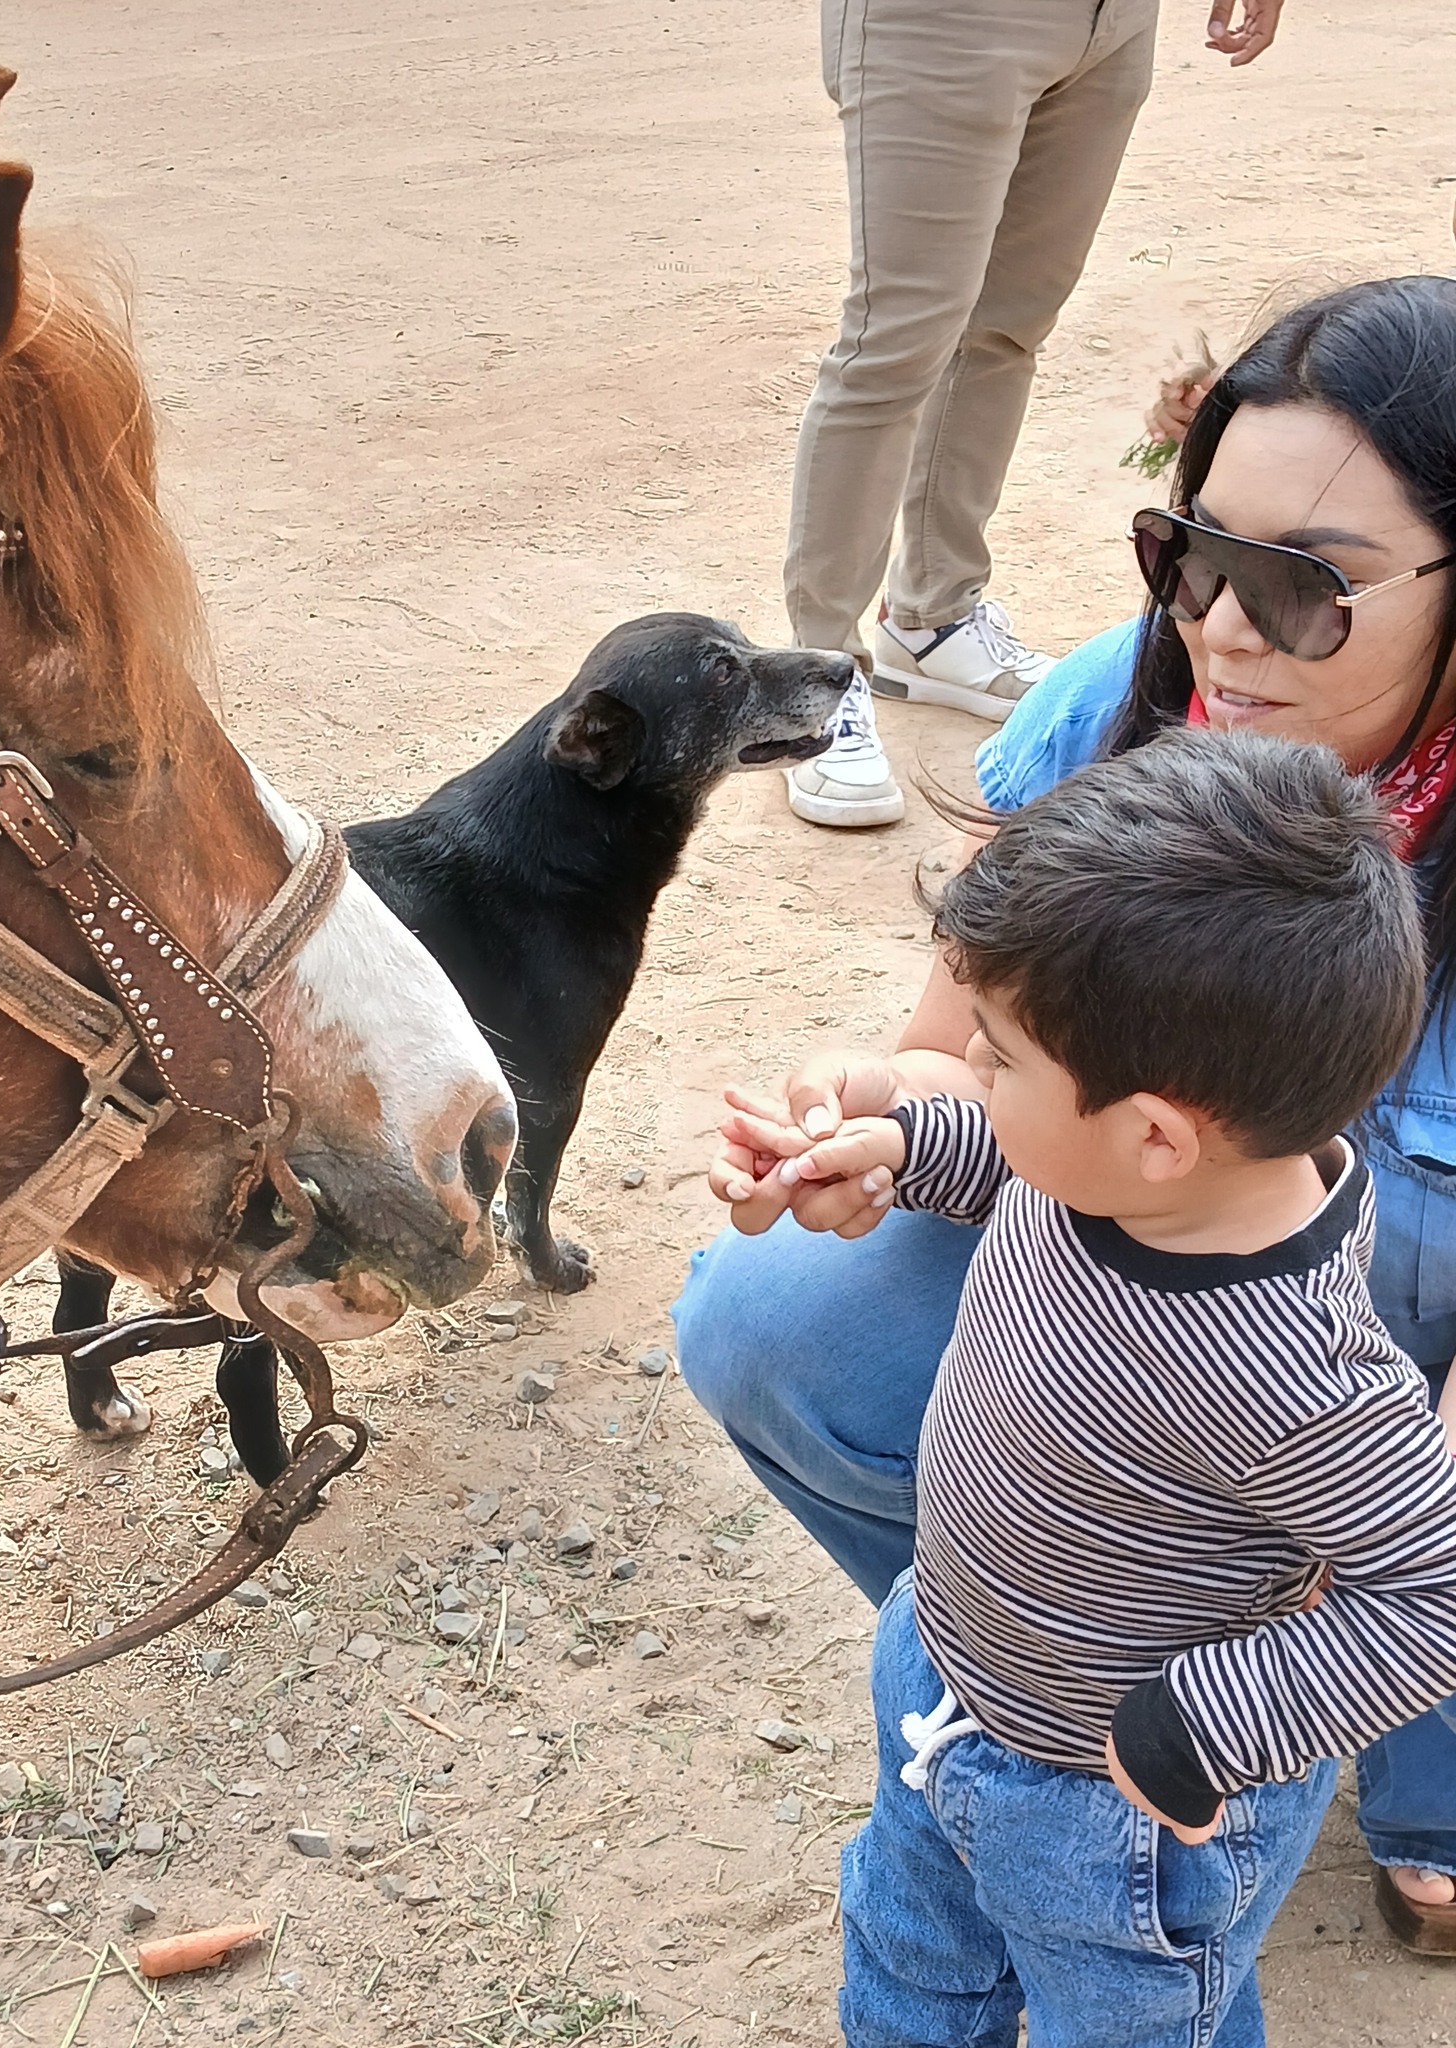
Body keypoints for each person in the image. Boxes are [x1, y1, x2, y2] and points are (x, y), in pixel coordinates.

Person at [674, 274, 1456, 1952]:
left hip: (1404, 1420)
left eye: (1301, 585)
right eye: (1189, 555)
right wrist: (875, 1121)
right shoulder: (1125, 696)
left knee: (1413, 1605)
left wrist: (1343, 1625)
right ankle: (1060, 1663)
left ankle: (1381, 1746)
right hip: (1173, 1321)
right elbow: (965, 1052)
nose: (1221, 631)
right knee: (767, 1318)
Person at [729, 731, 1456, 2046]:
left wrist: (1206, 1723)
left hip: (1120, 1810)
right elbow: (1015, 1164)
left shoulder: (1294, 1372)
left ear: (1157, 1135)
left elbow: (1429, 1592)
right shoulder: (1125, 1172)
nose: (975, 1072)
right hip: (948, 1666)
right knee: (905, 1972)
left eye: (997, 1058)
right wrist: (896, 1139)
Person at [782, 0, 1286, 830]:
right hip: (948, 19)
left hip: (1111, 21)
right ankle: (816, 678)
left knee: (1007, 327)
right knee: (896, 341)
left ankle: (934, 619)